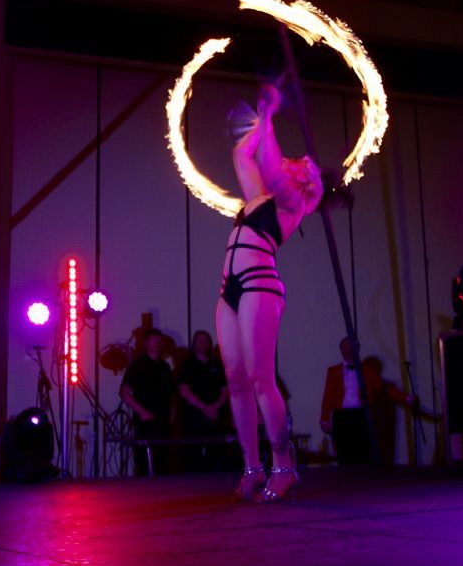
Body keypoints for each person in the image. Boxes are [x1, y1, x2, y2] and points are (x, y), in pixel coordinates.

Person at [217, 83, 346, 502]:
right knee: (236, 382)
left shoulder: (292, 203)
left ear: (306, 181)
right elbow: (242, 156)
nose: (288, 164)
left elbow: (271, 167)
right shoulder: (258, 199)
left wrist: (269, 118)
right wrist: (259, 121)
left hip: (259, 286)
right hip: (230, 290)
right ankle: (252, 467)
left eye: (296, 163)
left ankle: (284, 465)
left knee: (259, 379)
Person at [320, 336, 419, 465]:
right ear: (341, 350)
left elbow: (385, 389)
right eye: (345, 348)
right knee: (343, 453)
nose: (348, 351)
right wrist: (324, 418)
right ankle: (345, 482)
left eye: (351, 348)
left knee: (362, 452)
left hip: (360, 415)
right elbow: (327, 396)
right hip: (341, 416)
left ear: (357, 350)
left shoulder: (367, 370)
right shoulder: (333, 371)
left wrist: (407, 398)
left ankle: (363, 482)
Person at [121, 328, 176, 475]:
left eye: (160, 340)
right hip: (145, 421)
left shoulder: (165, 366)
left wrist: (172, 414)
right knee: (145, 460)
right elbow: (125, 393)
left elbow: (171, 394)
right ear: (145, 343)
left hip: (163, 420)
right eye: (154, 340)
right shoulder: (137, 366)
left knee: (163, 460)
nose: (157, 343)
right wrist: (142, 412)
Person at [176, 329, 230, 471]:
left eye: (206, 340)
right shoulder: (187, 365)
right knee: (193, 455)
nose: (203, 343)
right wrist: (204, 408)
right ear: (194, 344)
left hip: (215, 415)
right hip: (194, 416)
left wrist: (216, 406)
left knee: (216, 453)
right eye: (200, 340)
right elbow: (184, 391)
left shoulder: (217, 365)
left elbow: (225, 390)